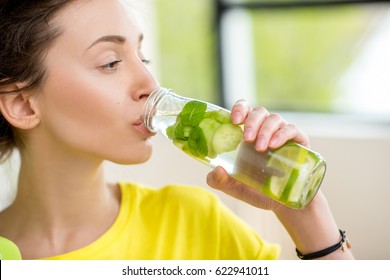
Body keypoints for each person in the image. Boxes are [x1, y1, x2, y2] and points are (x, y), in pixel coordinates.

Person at [0, 0, 354, 260]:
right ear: (23, 104)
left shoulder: (196, 222)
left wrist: (306, 216)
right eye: (110, 62)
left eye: (143, 58)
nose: (150, 84)